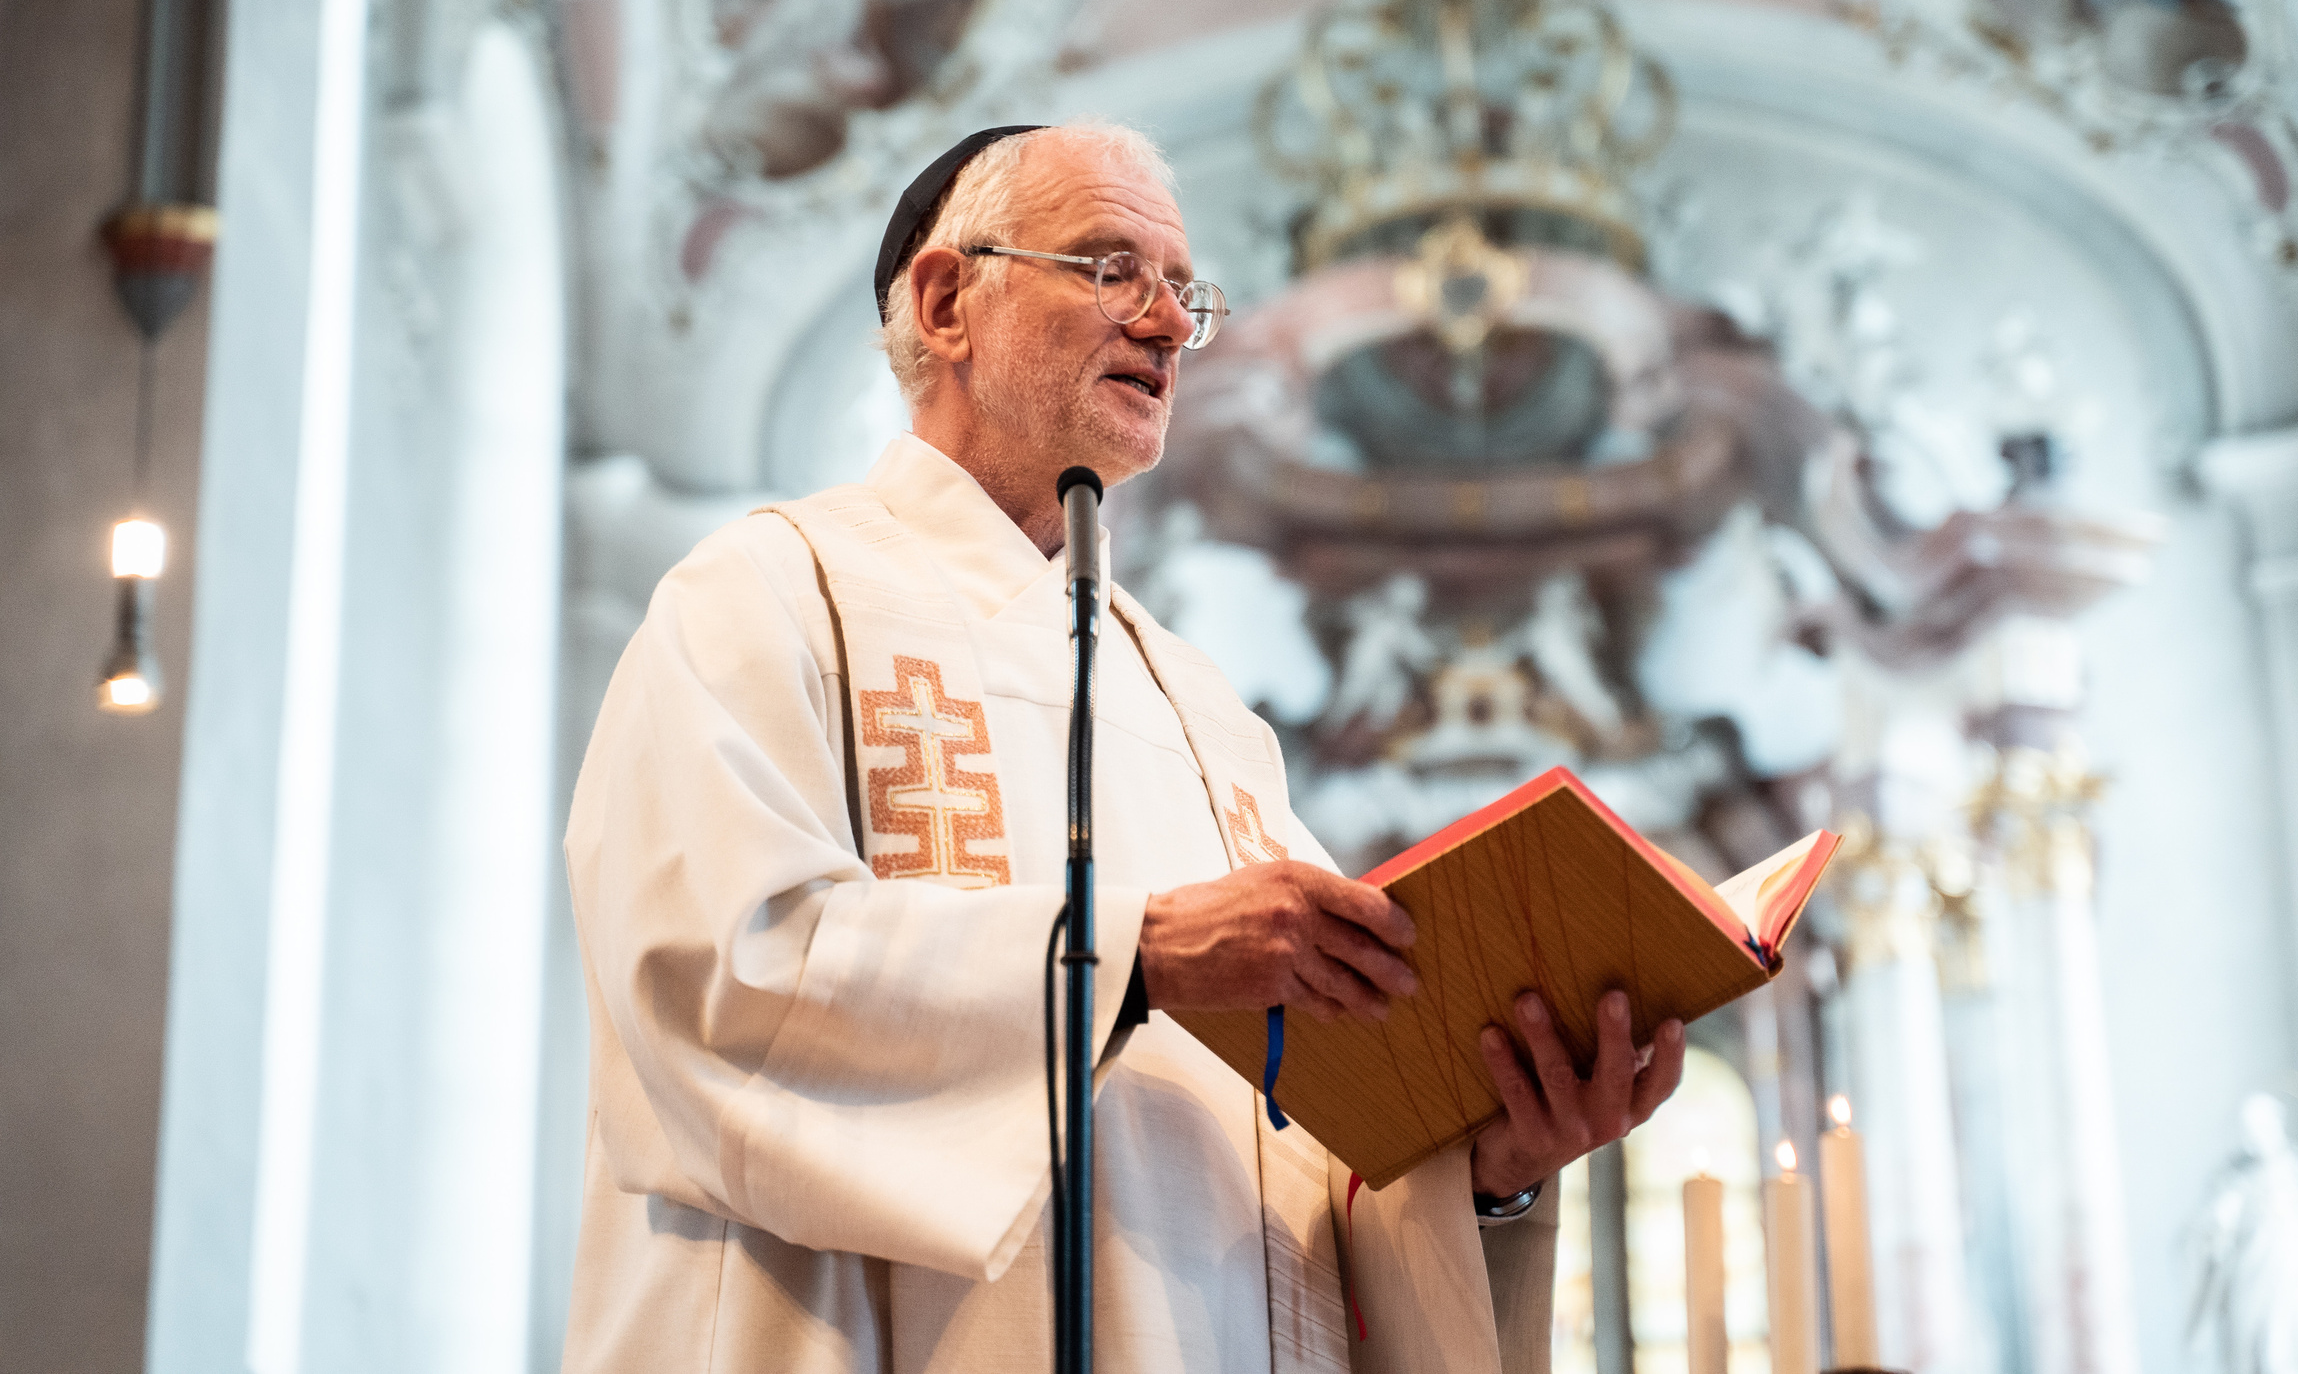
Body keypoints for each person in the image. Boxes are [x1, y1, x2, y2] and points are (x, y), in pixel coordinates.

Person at [560, 123, 1686, 1373]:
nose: (1164, 325)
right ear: (946, 301)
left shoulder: (1207, 720)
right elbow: (714, 981)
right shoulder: (769, 592)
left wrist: (1489, 1171)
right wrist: (1132, 955)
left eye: (1183, 296)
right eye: (1110, 269)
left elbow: (1302, 1154)